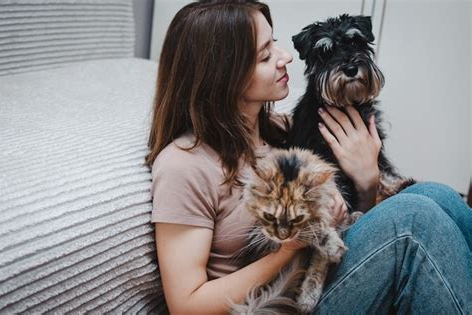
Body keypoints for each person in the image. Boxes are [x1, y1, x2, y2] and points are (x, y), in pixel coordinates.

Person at [145, 1, 472, 314]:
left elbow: (350, 220)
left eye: (274, 43)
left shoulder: (283, 131)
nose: (285, 56)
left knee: (434, 194)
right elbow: (186, 305)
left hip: (326, 270)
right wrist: (288, 247)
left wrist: (368, 180)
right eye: (265, 55)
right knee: (415, 218)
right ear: (222, 74)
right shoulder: (184, 164)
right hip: (282, 303)